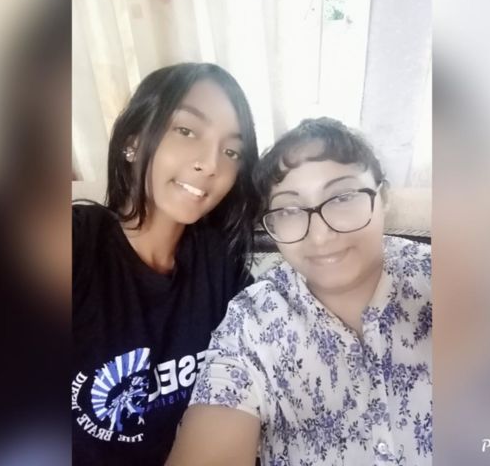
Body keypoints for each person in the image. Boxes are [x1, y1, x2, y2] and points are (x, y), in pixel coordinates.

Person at [167, 117, 432, 465]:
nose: (320, 236)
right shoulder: (253, 321)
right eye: (289, 210)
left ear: (381, 198)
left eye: (342, 197)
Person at [72, 63, 259, 465]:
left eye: (231, 152)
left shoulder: (219, 264)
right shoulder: (78, 242)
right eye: (187, 131)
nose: (211, 164)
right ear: (133, 141)